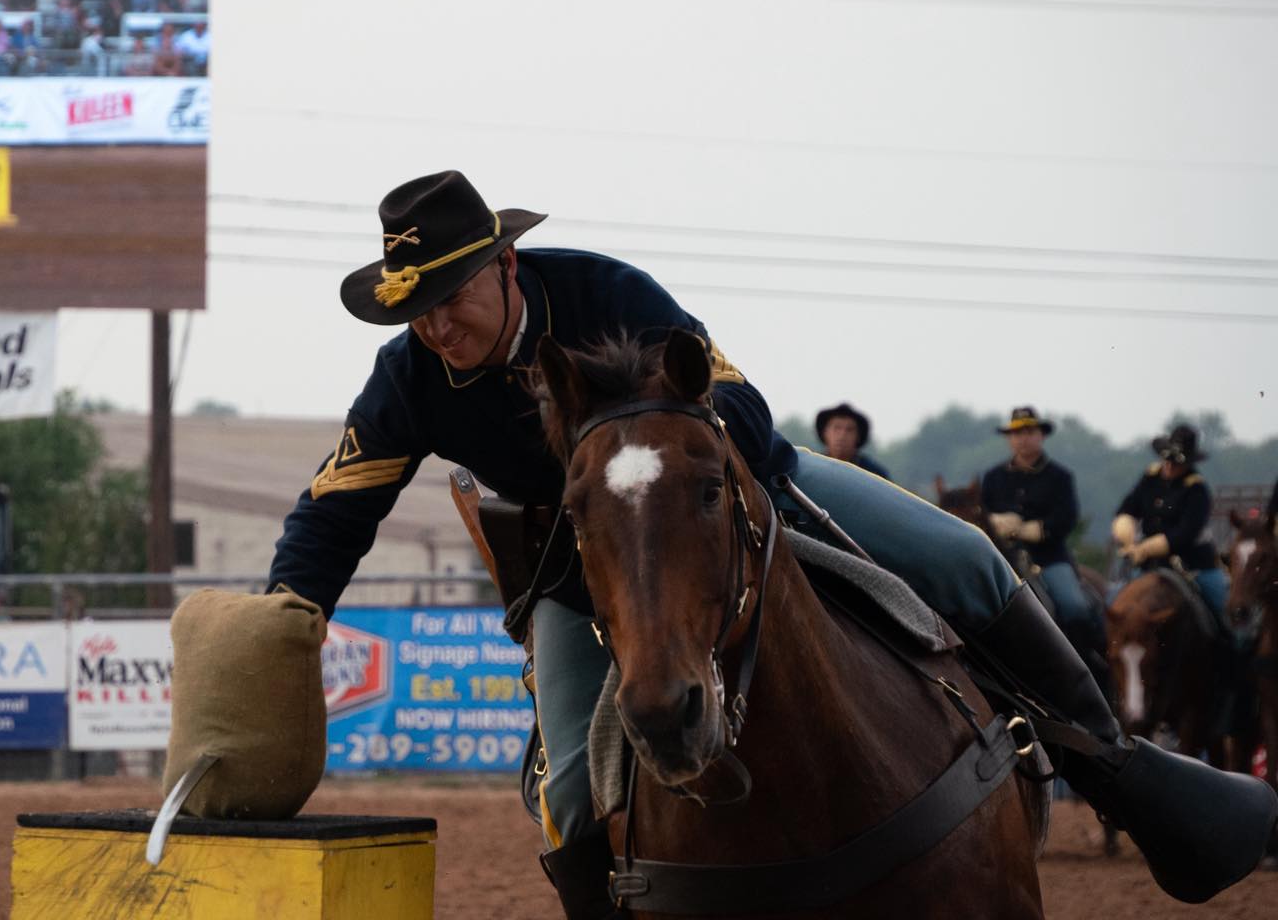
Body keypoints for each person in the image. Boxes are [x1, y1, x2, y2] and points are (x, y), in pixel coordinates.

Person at [269, 171, 1274, 918]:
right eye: (419, 307)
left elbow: (738, 401)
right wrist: (290, 612)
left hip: (748, 488)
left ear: (506, 265)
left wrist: (699, 469)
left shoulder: (609, 291)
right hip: (585, 563)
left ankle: (1116, 768)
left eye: (452, 296)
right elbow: (335, 503)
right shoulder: (404, 379)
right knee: (572, 793)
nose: (437, 326)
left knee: (969, 563)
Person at [981, 407, 1106, 674]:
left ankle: (1084, 667)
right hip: (1005, 557)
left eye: (1028, 432)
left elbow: (1067, 518)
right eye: (1016, 433)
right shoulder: (993, 478)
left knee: (1073, 606)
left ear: (1041, 436)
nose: (1022, 439)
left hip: (1049, 558)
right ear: (1009, 439)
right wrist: (999, 525)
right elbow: (984, 515)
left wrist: (1029, 530)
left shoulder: (1060, 476)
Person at [1113, 424, 1228, 626]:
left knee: (1226, 610)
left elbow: (1186, 533)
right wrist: (1127, 534)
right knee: (1113, 604)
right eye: (1167, 460)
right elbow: (1128, 507)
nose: (1169, 466)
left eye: (1175, 463)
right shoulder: (1150, 478)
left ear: (1188, 463)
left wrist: (1146, 548)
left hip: (1193, 565)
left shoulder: (1197, 489)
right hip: (1149, 565)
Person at [813, 402, 889, 479]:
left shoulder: (874, 475)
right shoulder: (812, 467)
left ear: (858, 436)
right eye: (836, 428)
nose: (842, 435)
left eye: (849, 430)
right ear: (825, 432)